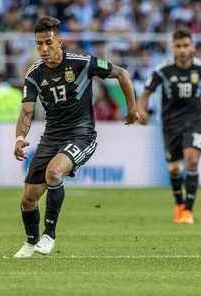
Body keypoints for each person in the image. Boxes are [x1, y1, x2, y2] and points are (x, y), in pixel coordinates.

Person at [12, 16, 140, 258]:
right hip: (51, 137)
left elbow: (122, 74)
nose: (44, 49)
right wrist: (19, 138)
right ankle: (31, 242)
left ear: (59, 41)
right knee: (28, 199)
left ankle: (49, 235)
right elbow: (26, 111)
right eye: (39, 44)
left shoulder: (82, 63)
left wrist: (131, 109)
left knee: (53, 172)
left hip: (81, 134)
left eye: (48, 42)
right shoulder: (34, 74)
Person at [137, 29, 201, 225]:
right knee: (174, 168)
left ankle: (188, 211)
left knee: (191, 160)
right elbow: (146, 93)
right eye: (178, 46)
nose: (182, 50)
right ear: (173, 48)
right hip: (171, 123)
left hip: (195, 120)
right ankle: (179, 204)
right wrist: (141, 110)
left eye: (186, 46)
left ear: (193, 47)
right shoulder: (162, 70)